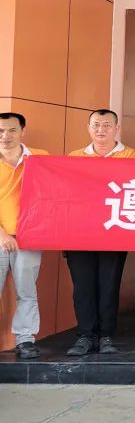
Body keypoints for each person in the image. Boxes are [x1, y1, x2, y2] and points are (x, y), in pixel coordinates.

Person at [66, 109, 135, 357]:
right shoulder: (74, 157)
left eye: (107, 125)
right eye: (96, 125)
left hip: (113, 231)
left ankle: (107, 335)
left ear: (117, 128)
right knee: (82, 287)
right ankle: (85, 335)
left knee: (108, 285)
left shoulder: (130, 155)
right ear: (88, 128)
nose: (101, 130)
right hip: (79, 233)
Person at [0, 112, 48, 359]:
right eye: (0, 131)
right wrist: (2, 235)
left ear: (22, 131)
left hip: (29, 238)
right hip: (0, 237)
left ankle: (25, 339)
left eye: (11, 130)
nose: (5, 136)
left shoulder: (40, 158)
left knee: (27, 291)